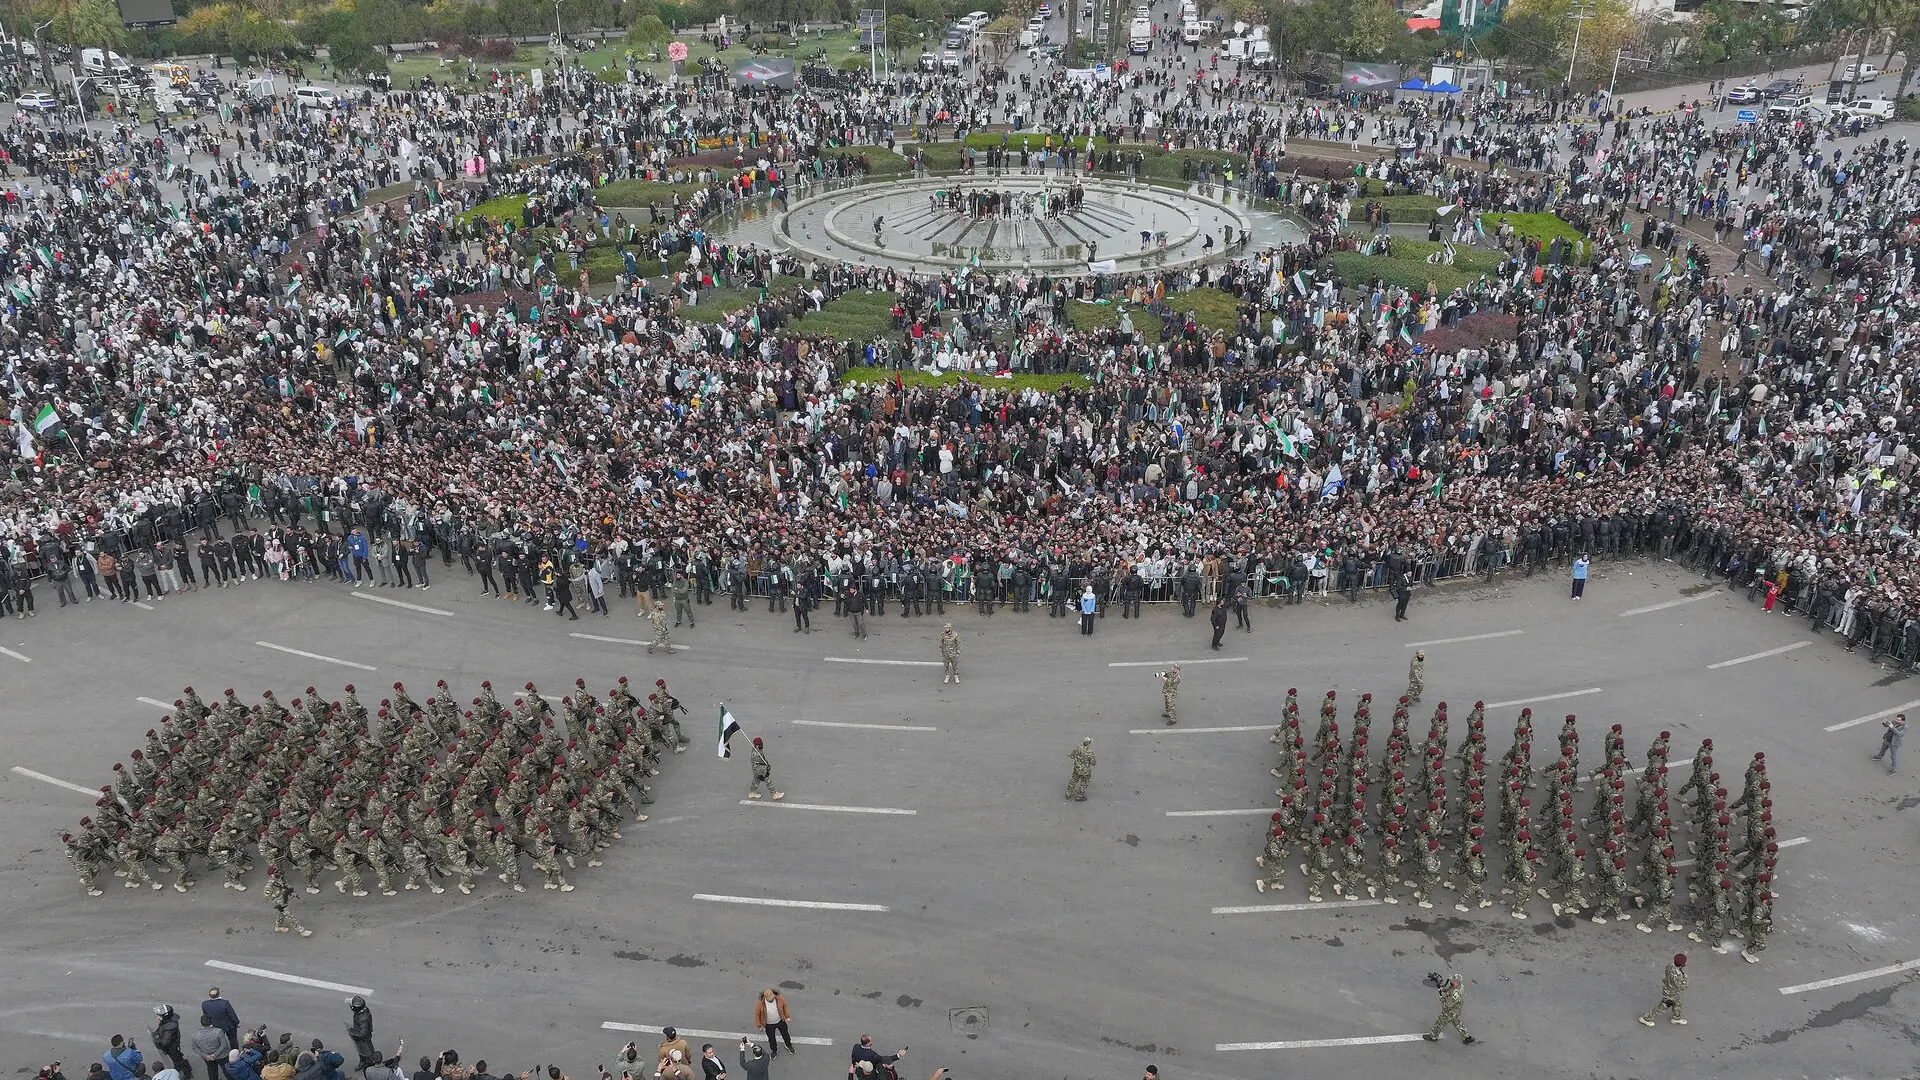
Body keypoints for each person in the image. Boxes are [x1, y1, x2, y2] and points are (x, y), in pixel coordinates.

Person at [1421, 973, 1474, 1044]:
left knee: (1439, 1022)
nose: (1451, 981)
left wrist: (1442, 998)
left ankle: (1433, 1036)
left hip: (1449, 1012)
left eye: (1453, 980)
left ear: (1456, 982)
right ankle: (1467, 1037)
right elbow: (1450, 990)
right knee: (1457, 1022)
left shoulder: (1455, 995)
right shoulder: (1460, 986)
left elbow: (1446, 1006)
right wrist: (1442, 989)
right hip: (1456, 1011)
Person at [1638, 954, 1689, 1026]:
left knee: (1677, 1003)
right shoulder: (1678, 976)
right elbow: (1683, 987)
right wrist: (1685, 979)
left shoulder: (1670, 965)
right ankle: (1646, 1018)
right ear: (1683, 964)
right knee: (1663, 1007)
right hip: (1671, 993)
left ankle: (1676, 1017)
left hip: (1668, 987)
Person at [754, 989, 795, 1057]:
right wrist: (759, 1026)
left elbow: (785, 1006)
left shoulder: (779, 998)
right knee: (771, 1039)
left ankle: (788, 1045)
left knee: (786, 1035)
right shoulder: (759, 1003)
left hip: (780, 1021)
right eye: (769, 999)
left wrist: (787, 1017)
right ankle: (774, 1050)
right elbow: (757, 1014)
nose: (771, 1000)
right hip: (769, 1025)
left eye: (772, 997)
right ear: (765, 997)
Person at [345, 997, 377, 1070]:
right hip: (359, 1036)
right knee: (361, 1049)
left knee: (368, 1050)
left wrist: (351, 1032)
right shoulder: (361, 1012)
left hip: (363, 1038)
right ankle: (363, 1061)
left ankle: (370, 1063)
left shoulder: (363, 1019)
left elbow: (363, 1033)